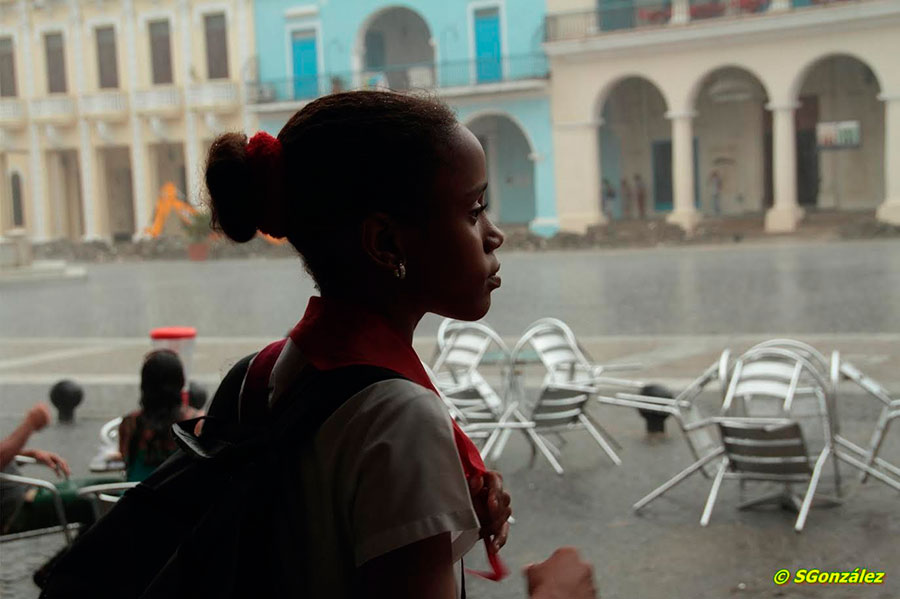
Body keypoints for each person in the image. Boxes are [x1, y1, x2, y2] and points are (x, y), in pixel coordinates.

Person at [203, 90, 596, 598]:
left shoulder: (259, 375)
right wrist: (559, 594)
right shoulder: (398, 422)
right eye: (474, 210)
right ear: (386, 244)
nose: (493, 235)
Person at [0, 403, 109, 534]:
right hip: (17, 509)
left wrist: (30, 454)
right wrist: (29, 424)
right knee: (94, 501)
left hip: (31, 493)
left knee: (109, 485)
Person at [118, 349, 201, 482]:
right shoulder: (196, 422)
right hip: (180, 499)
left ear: (144, 384)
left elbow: (125, 458)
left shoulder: (130, 423)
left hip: (136, 498)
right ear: (180, 382)